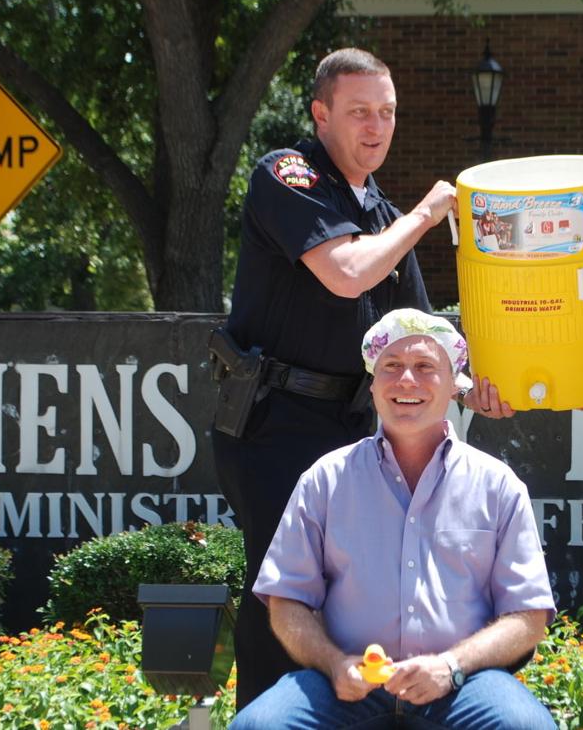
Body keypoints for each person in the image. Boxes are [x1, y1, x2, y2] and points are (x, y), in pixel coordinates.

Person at [211, 48, 513, 709]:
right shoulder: (286, 175)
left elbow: (429, 339)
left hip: (353, 424)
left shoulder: (376, 206)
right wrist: (427, 217)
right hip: (277, 424)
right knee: (285, 593)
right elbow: (348, 272)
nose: (375, 127)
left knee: (351, 599)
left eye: (387, 113)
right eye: (358, 113)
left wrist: (479, 385)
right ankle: (270, 721)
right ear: (320, 115)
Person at [230, 309, 556, 730]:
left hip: (462, 685)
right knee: (258, 726)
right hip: (345, 688)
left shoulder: (497, 485)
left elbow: (528, 617)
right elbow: (286, 601)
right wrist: (334, 664)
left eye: (425, 367)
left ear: (455, 386)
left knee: (526, 727)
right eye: (392, 367)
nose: (406, 380)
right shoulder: (326, 479)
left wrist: (450, 666)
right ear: (372, 385)